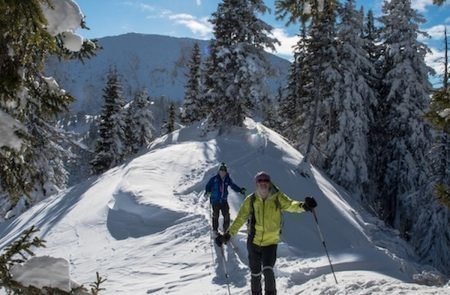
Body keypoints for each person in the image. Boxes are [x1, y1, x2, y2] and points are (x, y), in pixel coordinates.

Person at [215, 171, 317, 295]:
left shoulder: (277, 197)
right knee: (255, 274)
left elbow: (290, 205)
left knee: (268, 271)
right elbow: (240, 219)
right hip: (253, 242)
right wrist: (228, 235)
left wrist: (304, 206)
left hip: (270, 243)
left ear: (269, 183)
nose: (263, 183)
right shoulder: (251, 200)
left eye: (266, 180)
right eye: (260, 180)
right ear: (256, 183)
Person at [205, 162, 246, 236]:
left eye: (224, 170)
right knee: (215, 215)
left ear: (226, 171)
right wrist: (208, 192)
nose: (223, 172)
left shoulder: (227, 179)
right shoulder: (214, 179)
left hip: (224, 200)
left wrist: (240, 190)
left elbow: (233, 186)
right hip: (215, 200)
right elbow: (208, 186)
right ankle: (215, 230)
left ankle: (226, 230)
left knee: (226, 215)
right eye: (221, 170)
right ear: (219, 171)